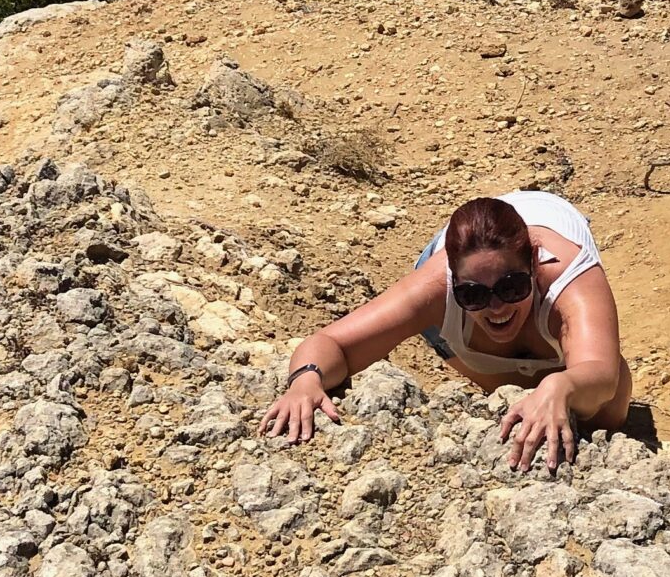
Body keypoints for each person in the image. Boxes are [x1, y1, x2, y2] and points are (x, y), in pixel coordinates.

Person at [261, 192, 631, 472]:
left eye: (511, 287)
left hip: (540, 232)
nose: (496, 307)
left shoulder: (571, 277)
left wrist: (561, 385)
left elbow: (602, 373)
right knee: (515, 397)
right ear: (454, 281)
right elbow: (330, 342)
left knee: (607, 412)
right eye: (474, 295)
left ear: (534, 264)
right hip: (456, 263)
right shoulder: (435, 287)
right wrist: (305, 381)